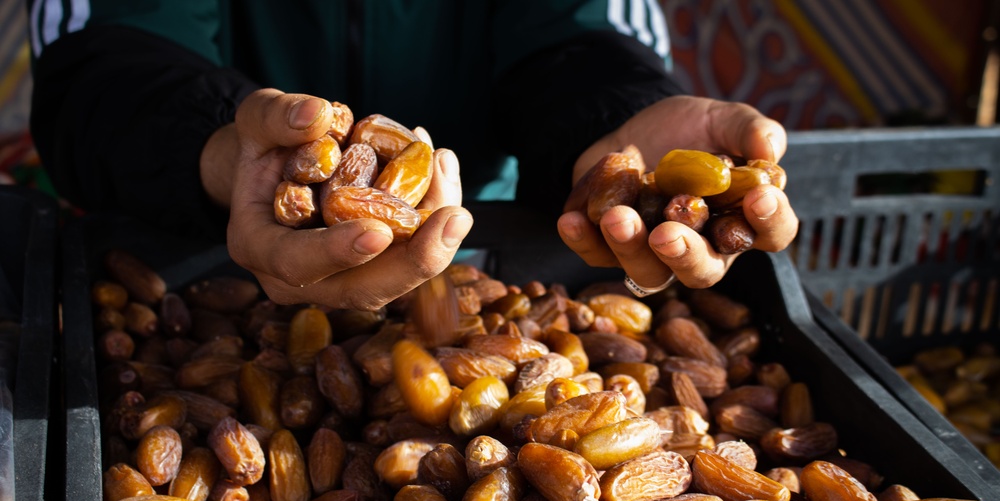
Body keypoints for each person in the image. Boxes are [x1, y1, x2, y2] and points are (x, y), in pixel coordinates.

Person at [27, 1, 797, 310]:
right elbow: (100, 60)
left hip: (477, 236)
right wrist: (224, 151)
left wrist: (618, 129)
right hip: (184, 242)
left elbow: (581, 31)